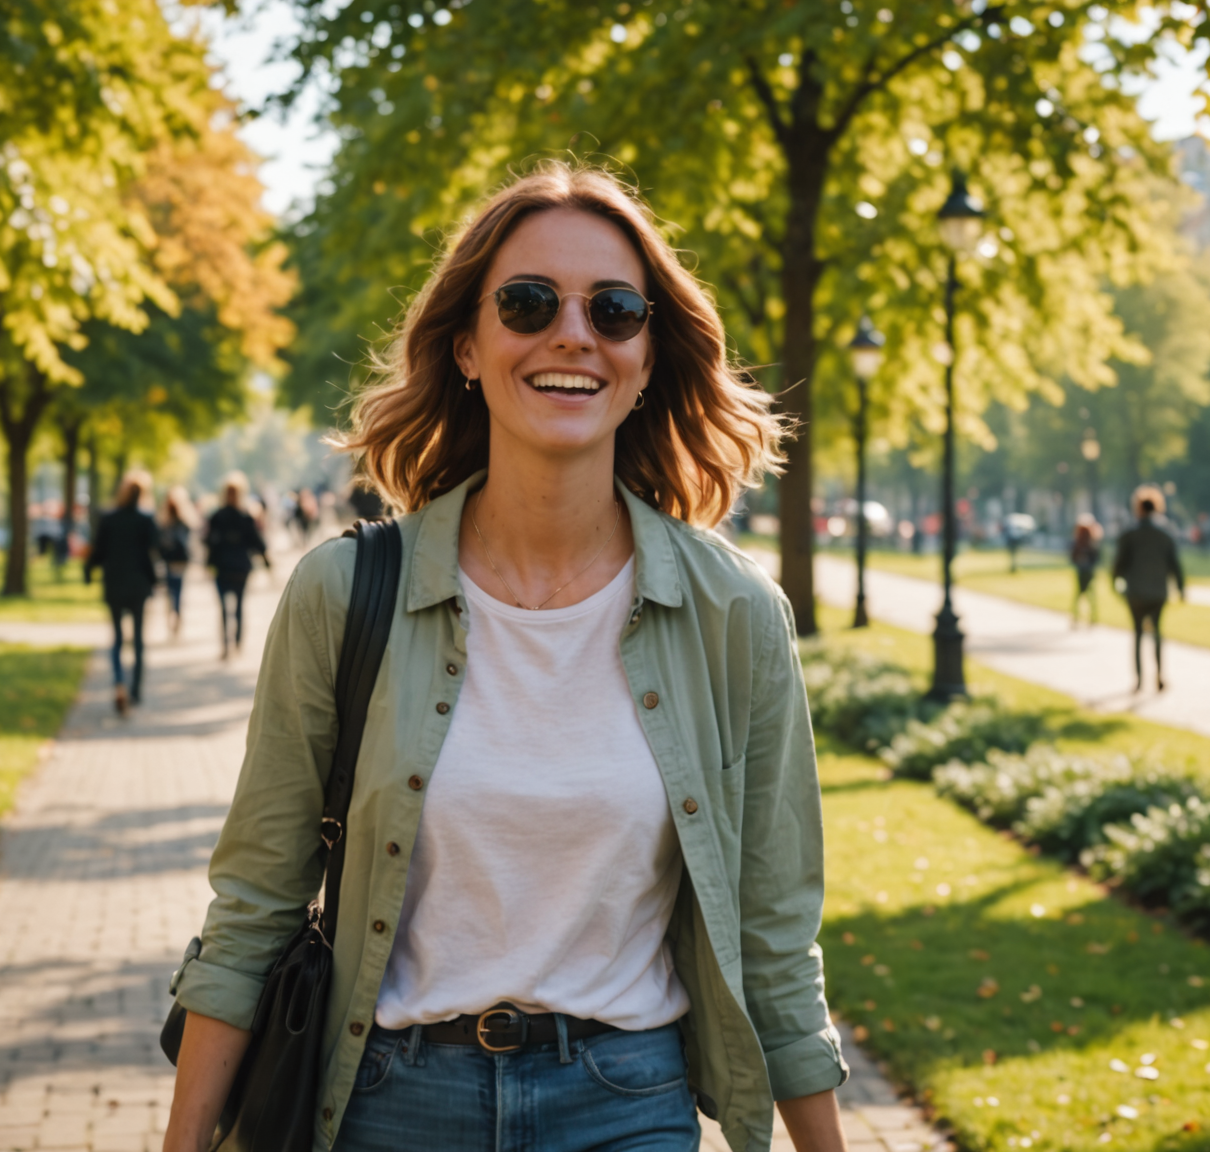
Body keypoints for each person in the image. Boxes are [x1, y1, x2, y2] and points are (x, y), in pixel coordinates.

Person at [162, 163, 846, 1152]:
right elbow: (253, 913)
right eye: (528, 303)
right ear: (469, 349)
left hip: (627, 1102)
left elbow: (776, 940)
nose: (573, 333)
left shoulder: (733, 614)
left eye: (614, 310)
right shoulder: (343, 595)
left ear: (647, 358)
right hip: (387, 1104)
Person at [86, 472, 161, 714]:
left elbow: (98, 550)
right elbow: (153, 553)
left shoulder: (109, 518)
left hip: (115, 585)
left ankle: (119, 682)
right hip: (138, 586)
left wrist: (88, 572)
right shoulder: (146, 519)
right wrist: (154, 581)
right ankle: (135, 691)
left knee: (118, 639)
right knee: (138, 640)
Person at [1112, 486, 1186, 692]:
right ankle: (1160, 675)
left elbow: (1119, 564)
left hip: (1135, 591)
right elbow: (1175, 564)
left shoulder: (1129, 534)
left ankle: (1139, 679)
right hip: (1158, 591)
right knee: (1157, 633)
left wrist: (1115, 582)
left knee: (1137, 634)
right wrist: (1180, 588)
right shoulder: (1166, 533)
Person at [203, 473, 269, 660]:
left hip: (225, 567)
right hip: (239, 567)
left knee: (226, 607)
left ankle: (228, 644)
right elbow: (257, 542)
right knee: (237, 606)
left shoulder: (217, 516)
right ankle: (236, 642)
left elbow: (209, 542)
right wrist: (265, 560)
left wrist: (208, 563)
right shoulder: (245, 516)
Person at [156, 486, 198, 639]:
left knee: (173, 592)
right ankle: (175, 618)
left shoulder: (168, 521)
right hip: (177, 562)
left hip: (173, 562)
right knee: (176, 592)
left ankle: (174, 618)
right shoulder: (182, 521)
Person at [1069, 514, 1102, 629]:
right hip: (1084, 571)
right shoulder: (1083, 543)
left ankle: (1087, 618)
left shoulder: (1088, 543)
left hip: (1086, 571)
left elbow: (1096, 557)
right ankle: (1084, 618)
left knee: (1084, 596)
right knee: (1085, 596)